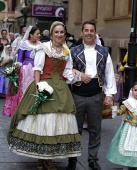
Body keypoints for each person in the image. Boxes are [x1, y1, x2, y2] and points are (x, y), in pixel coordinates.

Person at [7, 21, 81, 170]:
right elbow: (37, 69)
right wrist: (37, 87)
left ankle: (50, 158)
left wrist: (76, 77)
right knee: (42, 123)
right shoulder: (44, 48)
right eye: (56, 32)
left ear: (64, 34)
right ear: (52, 34)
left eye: (62, 32)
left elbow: (67, 71)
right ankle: (41, 158)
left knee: (57, 124)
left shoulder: (66, 50)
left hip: (61, 88)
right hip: (45, 85)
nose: (59, 35)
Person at [67, 20, 117, 170]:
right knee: (75, 130)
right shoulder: (73, 51)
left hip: (96, 95)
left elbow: (109, 74)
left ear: (95, 33)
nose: (89, 33)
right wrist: (79, 76)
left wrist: (109, 95)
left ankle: (93, 159)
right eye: (86, 30)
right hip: (77, 95)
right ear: (81, 33)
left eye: (92, 30)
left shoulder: (104, 51)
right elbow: (66, 72)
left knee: (95, 129)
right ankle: (72, 160)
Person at [2, 26, 41, 117]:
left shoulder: (40, 45)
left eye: (40, 33)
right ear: (31, 35)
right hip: (26, 71)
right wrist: (16, 71)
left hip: (38, 71)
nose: (39, 35)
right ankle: (21, 112)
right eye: (37, 33)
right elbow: (19, 60)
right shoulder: (24, 44)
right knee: (24, 92)